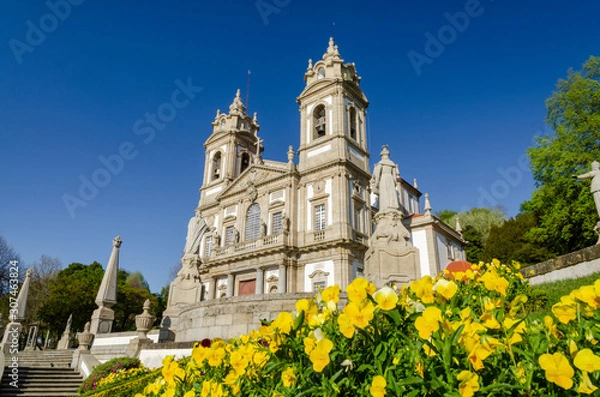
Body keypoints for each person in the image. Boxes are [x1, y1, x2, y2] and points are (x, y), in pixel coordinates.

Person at [370, 145, 401, 212]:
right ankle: (392, 206)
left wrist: (376, 183)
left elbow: (377, 174)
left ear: (382, 156)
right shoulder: (392, 164)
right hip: (391, 180)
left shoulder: (381, 163)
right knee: (391, 194)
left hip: (383, 179)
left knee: (384, 194)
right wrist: (394, 183)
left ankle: (385, 207)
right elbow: (394, 176)